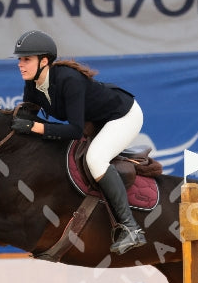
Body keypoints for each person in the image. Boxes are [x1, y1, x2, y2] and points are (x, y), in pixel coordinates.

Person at [10, 30, 147, 255]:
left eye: (26, 59)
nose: (20, 64)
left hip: (124, 115)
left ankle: (131, 228)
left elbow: (73, 130)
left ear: (44, 61)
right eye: (19, 59)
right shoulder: (32, 84)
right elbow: (28, 116)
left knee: (95, 159)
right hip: (98, 121)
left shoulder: (68, 80)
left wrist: (35, 127)